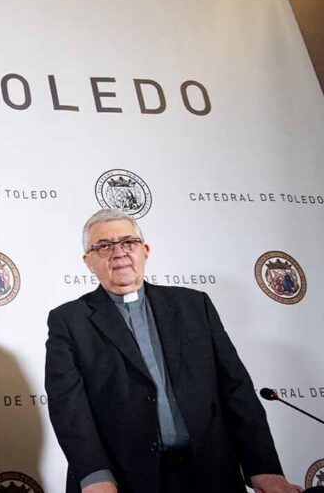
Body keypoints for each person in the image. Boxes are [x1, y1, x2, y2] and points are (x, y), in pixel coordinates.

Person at [45, 209, 301, 493]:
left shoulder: (194, 305)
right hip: (124, 480)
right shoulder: (69, 321)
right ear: (88, 261)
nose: (119, 253)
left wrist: (262, 467)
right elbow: (69, 409)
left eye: (128, 242)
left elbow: (236, 389)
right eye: (103, 246)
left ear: (145, 250)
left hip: (210, 474)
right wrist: (96, 477)